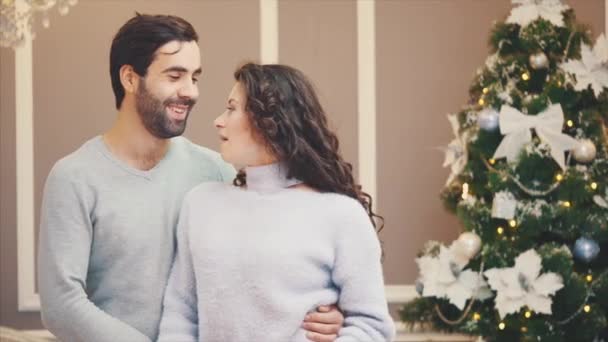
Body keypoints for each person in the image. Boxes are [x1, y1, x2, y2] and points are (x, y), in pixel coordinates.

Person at [37, 14, 343, 342]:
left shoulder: (218, 171)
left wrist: (331, 310)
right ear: (129, 78)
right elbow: (62, 306)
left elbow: (278, 258)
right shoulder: (73, 178)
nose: (191, 91)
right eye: (175, 75)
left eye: (195, 77)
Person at [157, 63, 396, 342]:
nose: (218, 120)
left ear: (268, 121)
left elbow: (372, 327)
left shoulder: (340, 215)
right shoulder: (200, 204)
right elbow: (181, 313)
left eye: (232, 108)